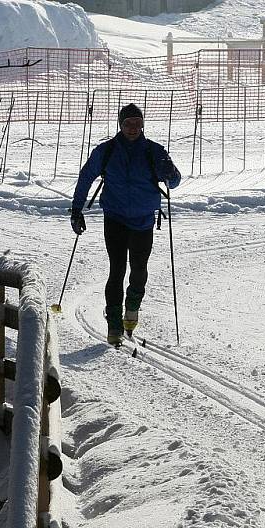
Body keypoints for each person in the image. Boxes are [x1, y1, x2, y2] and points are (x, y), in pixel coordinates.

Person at [71, 103, 181, 346]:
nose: (132, 128)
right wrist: (76, 209)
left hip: (143, 221)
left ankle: (132, 308)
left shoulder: (154, 151)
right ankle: (114, 325)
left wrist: (170, 172)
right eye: (127, 123)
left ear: (143, 125)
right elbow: (85, 176)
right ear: (120, 125)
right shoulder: (107, 151)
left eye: (137, 123)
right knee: (117, 270)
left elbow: (174, 183)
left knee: (139, 270)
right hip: (116, 219)